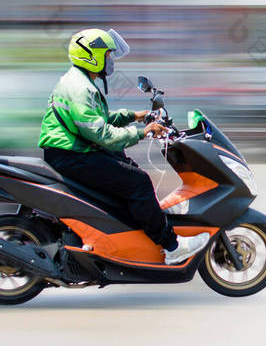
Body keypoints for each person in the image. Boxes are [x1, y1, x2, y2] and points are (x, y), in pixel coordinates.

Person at [38, 28, 209, 265]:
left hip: (73, 150)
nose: (110, 60)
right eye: (107, 55)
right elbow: (102, 134)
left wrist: (135, 116)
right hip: (71, 155)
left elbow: (100, 119)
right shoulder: (80, 88)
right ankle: (171, 246)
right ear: (91, 56)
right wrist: (143, 132)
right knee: (137, 182)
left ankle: (127, 235)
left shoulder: (80, 81)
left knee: (124, 164)